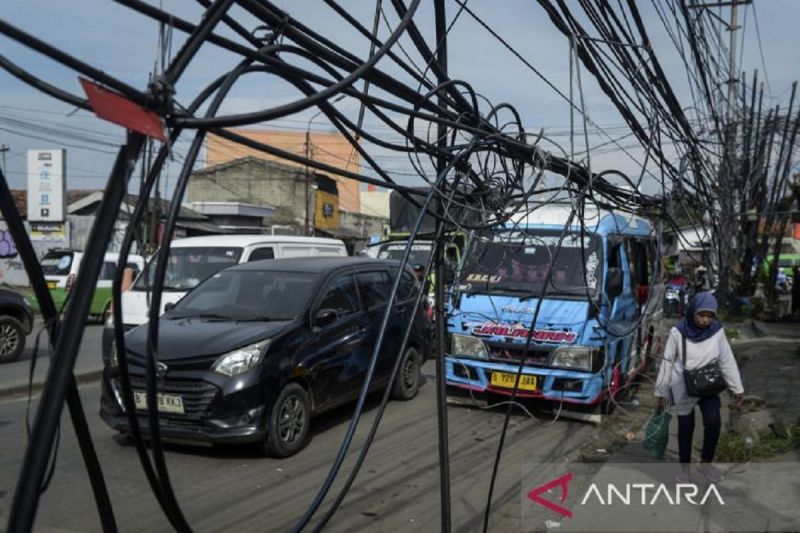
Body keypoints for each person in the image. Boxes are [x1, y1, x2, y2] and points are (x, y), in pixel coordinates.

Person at [654, 292, 744, 483]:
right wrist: (661, 391)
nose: (705, 320)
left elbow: (726, 359)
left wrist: (737, 388)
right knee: (686, 428)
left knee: (713, 423)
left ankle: (706, 462)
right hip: (683, 384)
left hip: (709, 384)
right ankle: (685, 469)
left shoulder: (717, 331)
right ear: (693, 311)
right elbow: (668, 361)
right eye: (701, 315)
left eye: (710, 316)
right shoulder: (678, 332)